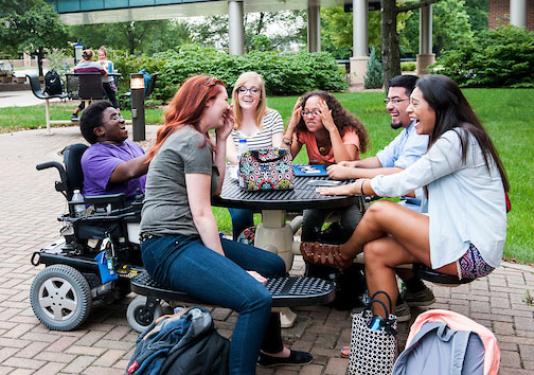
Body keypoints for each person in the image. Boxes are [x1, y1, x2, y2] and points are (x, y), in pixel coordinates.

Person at [138, 75, 312, 375]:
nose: (227, 107)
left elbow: (215, 190)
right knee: (255, 299)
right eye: (222, 100)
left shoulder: (197, 138)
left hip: (183, 241)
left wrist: (221, 139)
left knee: (272, 265)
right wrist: (233, 271)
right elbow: (203, 213)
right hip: (167, 246)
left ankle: (270, 348)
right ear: (205, 103)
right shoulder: (190, 139)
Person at [302, 75, 509, 322]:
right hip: (456, 236)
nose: (409, 110)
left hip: (471, 251)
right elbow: (415, 184)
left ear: (438, 105)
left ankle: (341, 256)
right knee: (376, 251)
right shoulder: (453, 137)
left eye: (415, 103)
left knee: (380, 212)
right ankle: (381, 333)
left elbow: (405, 179)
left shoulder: (457, 140)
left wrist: (354, 187)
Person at [328, 75, 434, 324]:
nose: (390, 106)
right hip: (418, 211)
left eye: (398, 100)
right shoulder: (410, 131)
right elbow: (382, 160)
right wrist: (352, 164)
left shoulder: (422, 133)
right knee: (375, 235)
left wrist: (353, 179)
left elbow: (401, 176)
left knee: (374, 221)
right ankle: (410, 295)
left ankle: (343, 258)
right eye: (388, 99)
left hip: (428, 217)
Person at [283, 90, 368, 244]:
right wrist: (291, 127)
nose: (309, 117)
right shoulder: (305, 132)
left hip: (348, 194)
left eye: (316, 112)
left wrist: (332, 128)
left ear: (329, 113)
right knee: (309, 223)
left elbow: (344, 164)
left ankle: (343, 260)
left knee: (353, 226)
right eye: (306, 112)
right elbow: (282, 162)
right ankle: (312, 265)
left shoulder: (348, 131)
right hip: (318, 193)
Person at [226, 71, 284, 240]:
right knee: (241, 217)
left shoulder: (273, 117)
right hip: (238, 180)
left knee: (274, 216)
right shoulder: (228, 116)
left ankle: (272, 253)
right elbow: (230, 154)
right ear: (236, 94)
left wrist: (255, 164)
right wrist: (247, 163)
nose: (248, 94)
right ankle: (242, 255)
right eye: (242, 90)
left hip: (267, 177)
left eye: (254, 90)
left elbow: (277, 149)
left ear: (261, 94)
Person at [80, 101, 147, 198]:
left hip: (141, 204)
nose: (122, 120)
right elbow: (129, 171)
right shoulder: (93, 157)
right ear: (99, 131)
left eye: (120, 116)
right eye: (114, 118)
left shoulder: (130, 145)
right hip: (113, 211)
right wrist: (163, 150)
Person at [71, 49, 107, 121]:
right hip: (97, 91)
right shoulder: (97, 65)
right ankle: (102, 116)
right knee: (104, 97)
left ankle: (75, 113)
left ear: (83, 57)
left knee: (86, 99)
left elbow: (73, 72)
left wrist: (81, 62)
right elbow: (105, 74)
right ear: (92, 57)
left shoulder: (78, 67)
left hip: (83, 91)